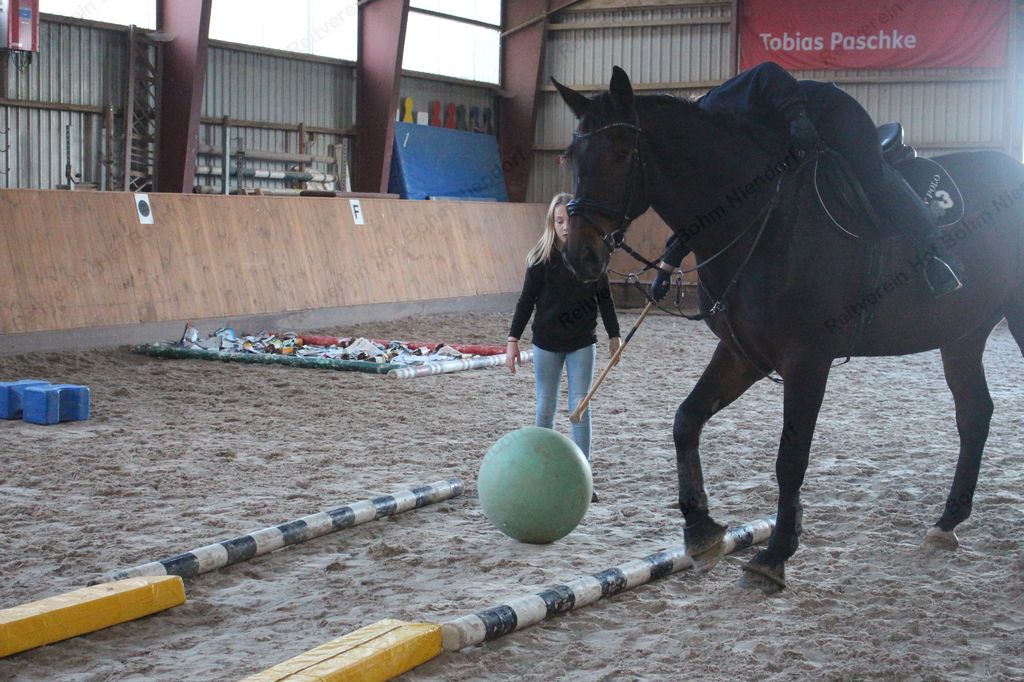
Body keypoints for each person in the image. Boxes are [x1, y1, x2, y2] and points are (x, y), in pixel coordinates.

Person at [650, 61, 964, 301]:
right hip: (796, 139)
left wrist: (798, 117)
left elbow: (767, 73)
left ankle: (938, 254)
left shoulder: (716, 105)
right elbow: (708, 212)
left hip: (832, 114)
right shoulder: (715, 156)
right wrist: (667, 266)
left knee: (874, 176)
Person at [507, 192, 622, 502]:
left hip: (582, 343)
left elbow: (605, 299)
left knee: (579, 407)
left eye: (569, 221)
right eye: (559, 221)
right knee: (545, 406)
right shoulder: (540, 260)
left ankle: (583, 477)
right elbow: (526, 302)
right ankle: (540, 472)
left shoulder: (592, 259)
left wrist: (614, 335)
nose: (565, 227)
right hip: (546, 344)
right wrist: (513, 340)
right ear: (552, 223)